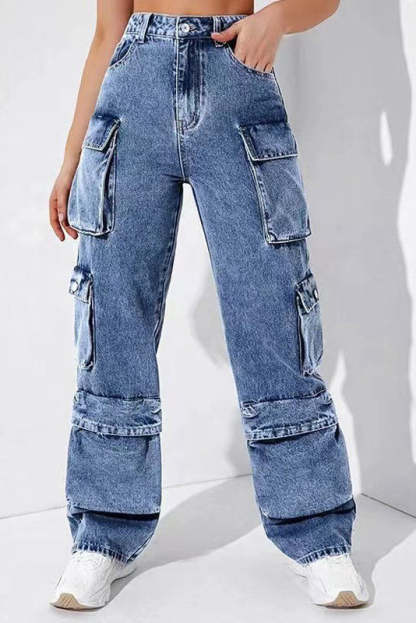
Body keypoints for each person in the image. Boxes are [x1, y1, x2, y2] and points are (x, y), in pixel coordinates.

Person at [49, 0, 369, 610]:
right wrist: (71, 159)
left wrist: (275, 20)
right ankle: (103, 534)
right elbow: (108, 31)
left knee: (274, 304)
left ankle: (316, 533)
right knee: (112, 309)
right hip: (130, 92)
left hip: (236, 78)